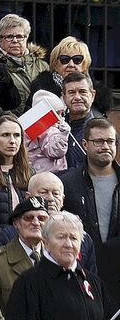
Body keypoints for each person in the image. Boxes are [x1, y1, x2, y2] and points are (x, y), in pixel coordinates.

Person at [5, 212, 110, 320]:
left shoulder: (94, 282)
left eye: (73, 238)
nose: (68, 244)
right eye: (61, 237)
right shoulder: (28, 283)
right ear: (46, 243)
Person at [61, 117, 119, 290]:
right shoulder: (67, 183)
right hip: (81, 272)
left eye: (110, 141)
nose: (105, 146)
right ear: (85, 145)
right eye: (99, 141)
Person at [0, 197, 50, 312]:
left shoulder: (56, 259)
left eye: (42, 218)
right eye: (28, 218)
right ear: (16, 223)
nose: (36, 223)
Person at [27, 37, 112, 119]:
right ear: (55, 64)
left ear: (85, 64)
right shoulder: (41, 90)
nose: (71, 64)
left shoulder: (97, 97)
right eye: (64, 59)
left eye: (77, 59)